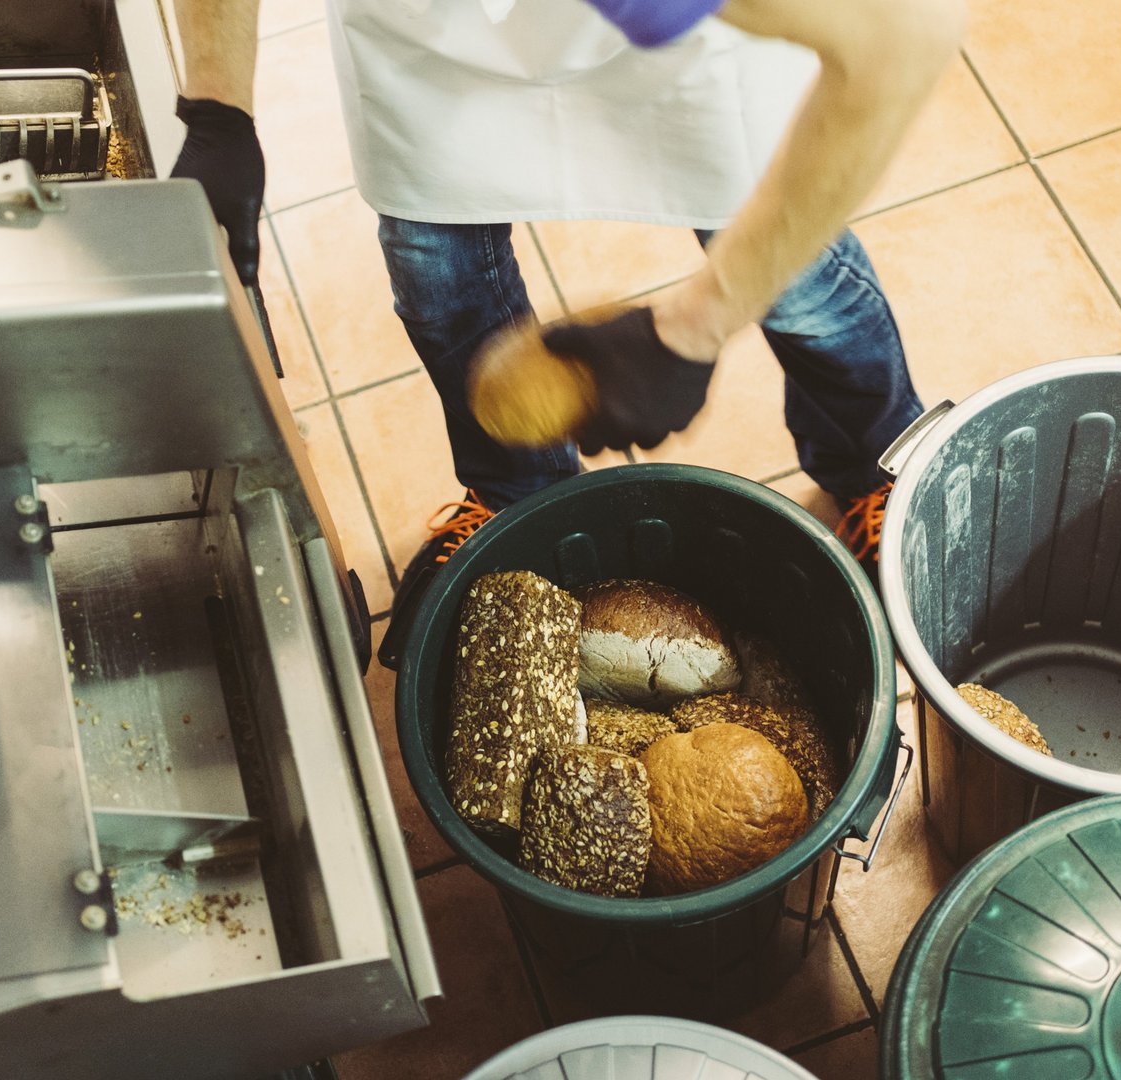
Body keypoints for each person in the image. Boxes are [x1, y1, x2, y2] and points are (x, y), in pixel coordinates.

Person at [167, 0, 965, 667]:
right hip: (424, 40)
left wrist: (697, 322)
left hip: (694, 55)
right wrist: (217, 114)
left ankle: (874, 461)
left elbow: (902, 37)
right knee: (434, 268)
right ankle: (516, 495)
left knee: (794, 272)